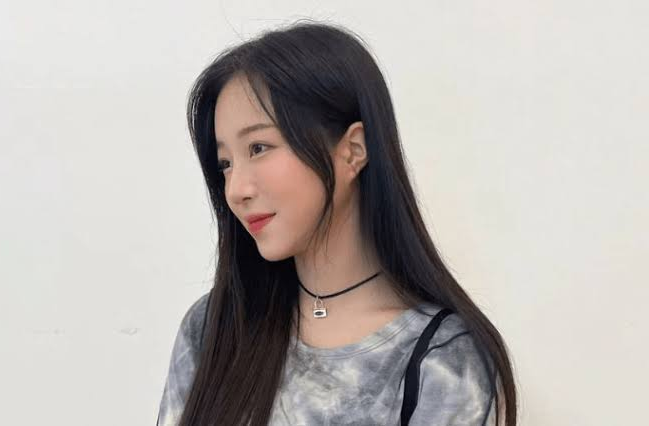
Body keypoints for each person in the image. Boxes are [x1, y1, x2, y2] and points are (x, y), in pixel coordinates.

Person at [157, 19, 517, 426]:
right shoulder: (212, 329)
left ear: (352, 151)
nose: (236, 189)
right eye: (225, 163)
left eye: (258, 147)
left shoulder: (444, 358)